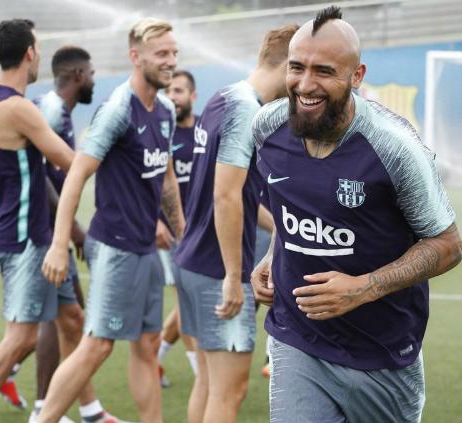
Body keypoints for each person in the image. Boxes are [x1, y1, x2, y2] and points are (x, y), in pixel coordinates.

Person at [251, 7, 462, 422]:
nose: (306, 85)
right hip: (298, 339)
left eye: (324, 71)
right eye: (297, 67)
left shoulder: (394, 146)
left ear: (357, 76)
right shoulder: (268, 128)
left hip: (381, 354)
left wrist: (364, 287)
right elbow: (290, 203)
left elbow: (449, 246)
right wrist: (272, 256)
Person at [37, 17, 183, 423]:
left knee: (147, 343)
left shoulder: (166, 110)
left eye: (174, 52)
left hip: (146, 249)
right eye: (161, 54)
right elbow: (76, 176)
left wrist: (182, 231)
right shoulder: (118, 110)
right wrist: (59, 245)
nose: (170, 61)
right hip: (115, 248)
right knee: (98, 346)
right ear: (136, 57)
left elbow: (166, 177)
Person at [0, 19, 86, 423]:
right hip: (26, 239)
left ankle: (71, 411)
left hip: (40, 236)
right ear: (29, 53)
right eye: (39, 48)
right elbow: (69, 161)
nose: (40, 56)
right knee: (21, 339)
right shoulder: (19, 108)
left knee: (74, 320)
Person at [173, 23, 298, 423]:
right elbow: (224, 195)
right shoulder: (248, 109)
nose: (302, 83)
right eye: (301, 70)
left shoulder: (224, 96)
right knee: (230, 391)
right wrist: (232, 275)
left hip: (192, 261)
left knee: (209, 385)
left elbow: (237, 193)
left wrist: (275, 226)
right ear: (288, 65)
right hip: (216, 270)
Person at [157, 69, 199, 388]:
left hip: (203, 233)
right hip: (173, 235)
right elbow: (149, 183)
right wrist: (157, 221)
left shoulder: (204, 134)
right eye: (169, 91)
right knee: (188, 303)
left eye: (179, 91)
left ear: (193, 96)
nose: (173, 97)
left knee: (189, 303)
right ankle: (203, 376)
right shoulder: (163, 135)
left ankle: (153, 359)